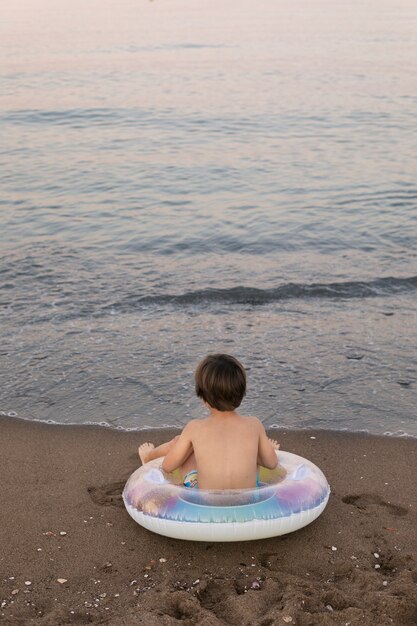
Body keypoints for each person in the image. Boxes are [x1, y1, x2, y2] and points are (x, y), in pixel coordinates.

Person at [138, 353, 279, 490]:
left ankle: (148, 457)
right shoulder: (254, 424)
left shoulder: (194, 428)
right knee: (254, 453)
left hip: (206, 504)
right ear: (242, 392)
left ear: (204, 398)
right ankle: (262, 451)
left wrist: (192, 449)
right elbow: (272, 464)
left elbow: (168, 466)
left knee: (182, 444)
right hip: (247, 502)